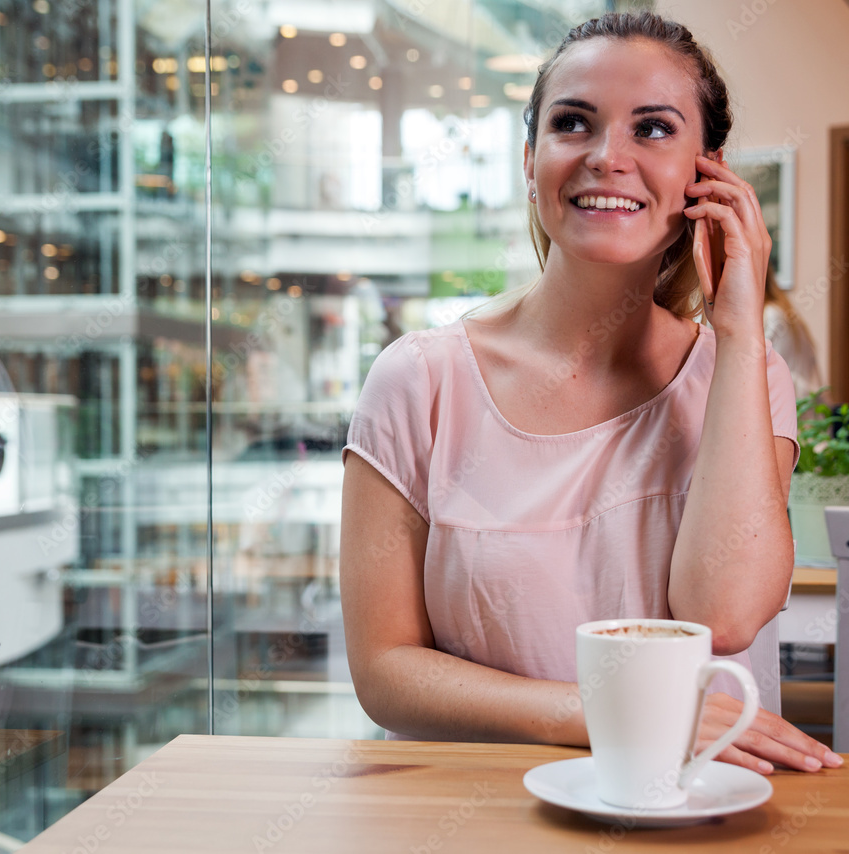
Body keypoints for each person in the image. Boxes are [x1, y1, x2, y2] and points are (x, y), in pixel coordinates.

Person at [339, 12, 842, 775]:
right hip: (473, 816)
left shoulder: (744, 373)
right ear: (530, 159)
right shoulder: (418, 379)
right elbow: (385, 671)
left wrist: (738, 336)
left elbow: (727, 614)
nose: (608, 157)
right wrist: (608, 712)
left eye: (653, 129)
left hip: (689, 808)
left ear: (706, 173)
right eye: (573, 123)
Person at [762, 264, 823, 399]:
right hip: (805, 405)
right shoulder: (780, 310)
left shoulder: (772, 316)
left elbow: (765, 373)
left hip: (797, 406)